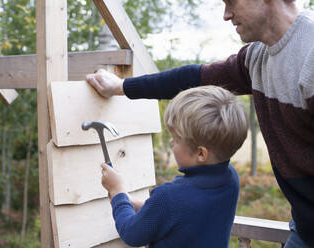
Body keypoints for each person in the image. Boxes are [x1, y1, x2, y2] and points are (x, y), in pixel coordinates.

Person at [87, 0, 314, 246]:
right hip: (305, 226)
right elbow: (194, 78)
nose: (226, 15)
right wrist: (121, 87)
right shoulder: (257, 57)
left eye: (231, 2)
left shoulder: (309, 59)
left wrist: (119, 194)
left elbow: (135, 232)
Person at [100, 86, 248, 247]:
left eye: (176, 139)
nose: (171, 142)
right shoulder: (230, 179)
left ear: (201, 154)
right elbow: (178, 214)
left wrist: (117, 192)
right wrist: (129, 201)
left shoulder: (168, 196)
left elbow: (132, 233)